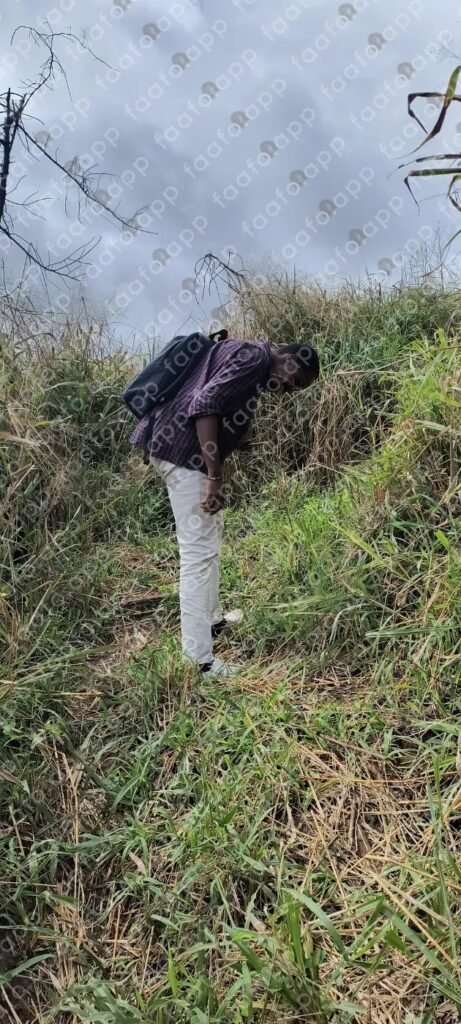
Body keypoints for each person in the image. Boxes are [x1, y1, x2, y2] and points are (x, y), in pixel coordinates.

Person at [130, 335, 319, 676]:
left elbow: (214, 388)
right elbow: (204, 404)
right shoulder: (254, 360)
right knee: (197, 553)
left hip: (170, 443)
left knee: (210, 537)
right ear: (290, 360)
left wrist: (239, 436)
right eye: (296, 383)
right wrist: (215, 476)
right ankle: (199, 662)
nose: (290, 392)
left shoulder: (248, 352)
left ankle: (212, 621)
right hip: (183, 454)